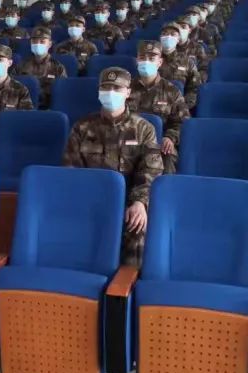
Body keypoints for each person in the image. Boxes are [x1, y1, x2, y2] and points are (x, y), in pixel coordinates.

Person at [63, 68, 163, 265]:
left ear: (128, 92)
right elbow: (71, 170)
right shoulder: (82, 127)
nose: (110, 93)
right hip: (91, 200)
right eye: (106, 88)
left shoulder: (144, 129)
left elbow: (150, 170)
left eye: (117, 88)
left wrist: (139, 202)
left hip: (128, 203)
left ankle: (127, 282)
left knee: (137, 228)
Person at [128, 41, 188, 173]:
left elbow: (182, 121)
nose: (146, 61)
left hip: (159, 143)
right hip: (128, 140)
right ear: (137, 60)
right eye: (142, 58)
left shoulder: (172, 91)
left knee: (168, 157)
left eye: (151, 58)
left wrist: (170, 137)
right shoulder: (125, 89)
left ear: (160, 62)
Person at [15, 26, 67, 109]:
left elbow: (62, 94)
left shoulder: (58, 68)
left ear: (49, 44)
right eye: (34, 42)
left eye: (42, 41)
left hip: (48, 110)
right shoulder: (21, 66)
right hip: (24, 109)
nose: (37, 44)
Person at [156, 26, 202, 110]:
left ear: (178, 39)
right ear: (160, 38)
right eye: (164, 34)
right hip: (153, 106)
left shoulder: (187, 61)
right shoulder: (151, 60)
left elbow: (195, 88)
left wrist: (182, 106)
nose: (168, 37)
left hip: (179, 107)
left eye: (173, 34)